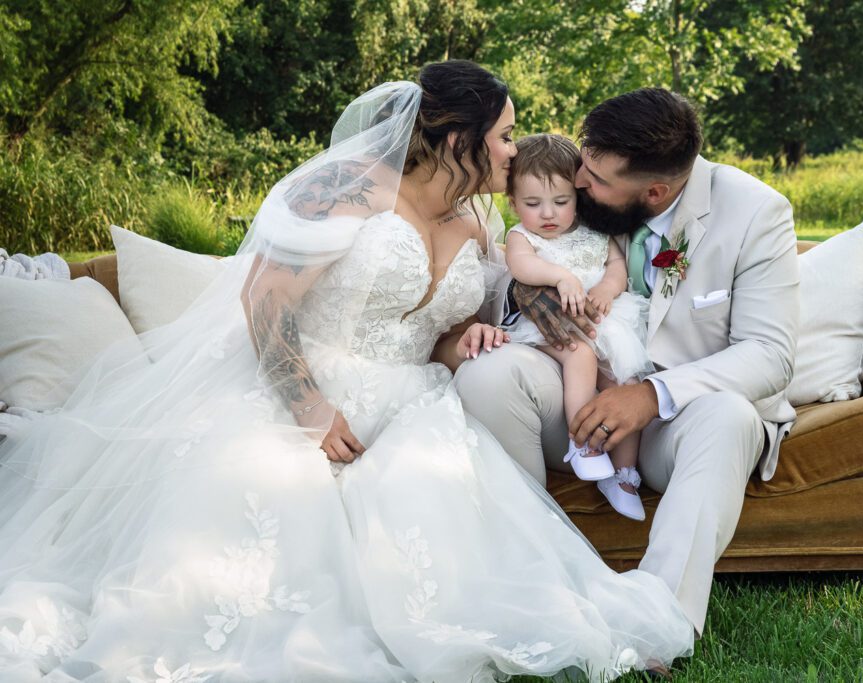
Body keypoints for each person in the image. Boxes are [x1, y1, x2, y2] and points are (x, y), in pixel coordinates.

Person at [0, 64, 693, 681]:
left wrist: (468, 338)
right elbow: (264, 296)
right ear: (460, 139)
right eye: (505, 135)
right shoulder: (348, 187)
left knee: (449, 531)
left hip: (408, 403)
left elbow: (433, 334)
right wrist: (308, 408)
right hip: (301, 391)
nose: (516, 150)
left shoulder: (478, 223)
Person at [455, 88, 800, 639]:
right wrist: (518, 299)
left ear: (655, 192)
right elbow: (521, 258)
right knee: (487, 374)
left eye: (596, 179)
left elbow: (770, 355)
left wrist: (649, 396)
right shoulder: (583, 195)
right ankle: (535, 586)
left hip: (677, 417)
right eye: (584, 165)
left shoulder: (755, 213)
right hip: (573, 387)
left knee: (731, 417)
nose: (580, 183)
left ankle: (658, 623)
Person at [501, 134, 652, 521]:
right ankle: (582, 442)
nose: (547, 214)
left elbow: (616, 266)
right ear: (513, 202)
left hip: (606, 322)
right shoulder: (522, 236)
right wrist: (560, 276)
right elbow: (521, 266)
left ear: (578, 197)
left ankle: (623, 475)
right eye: (533, 204)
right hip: (549, 328)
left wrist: (606, 287)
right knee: (580, 354)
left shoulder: (594, 231)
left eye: (561, 202)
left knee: (625, 385)